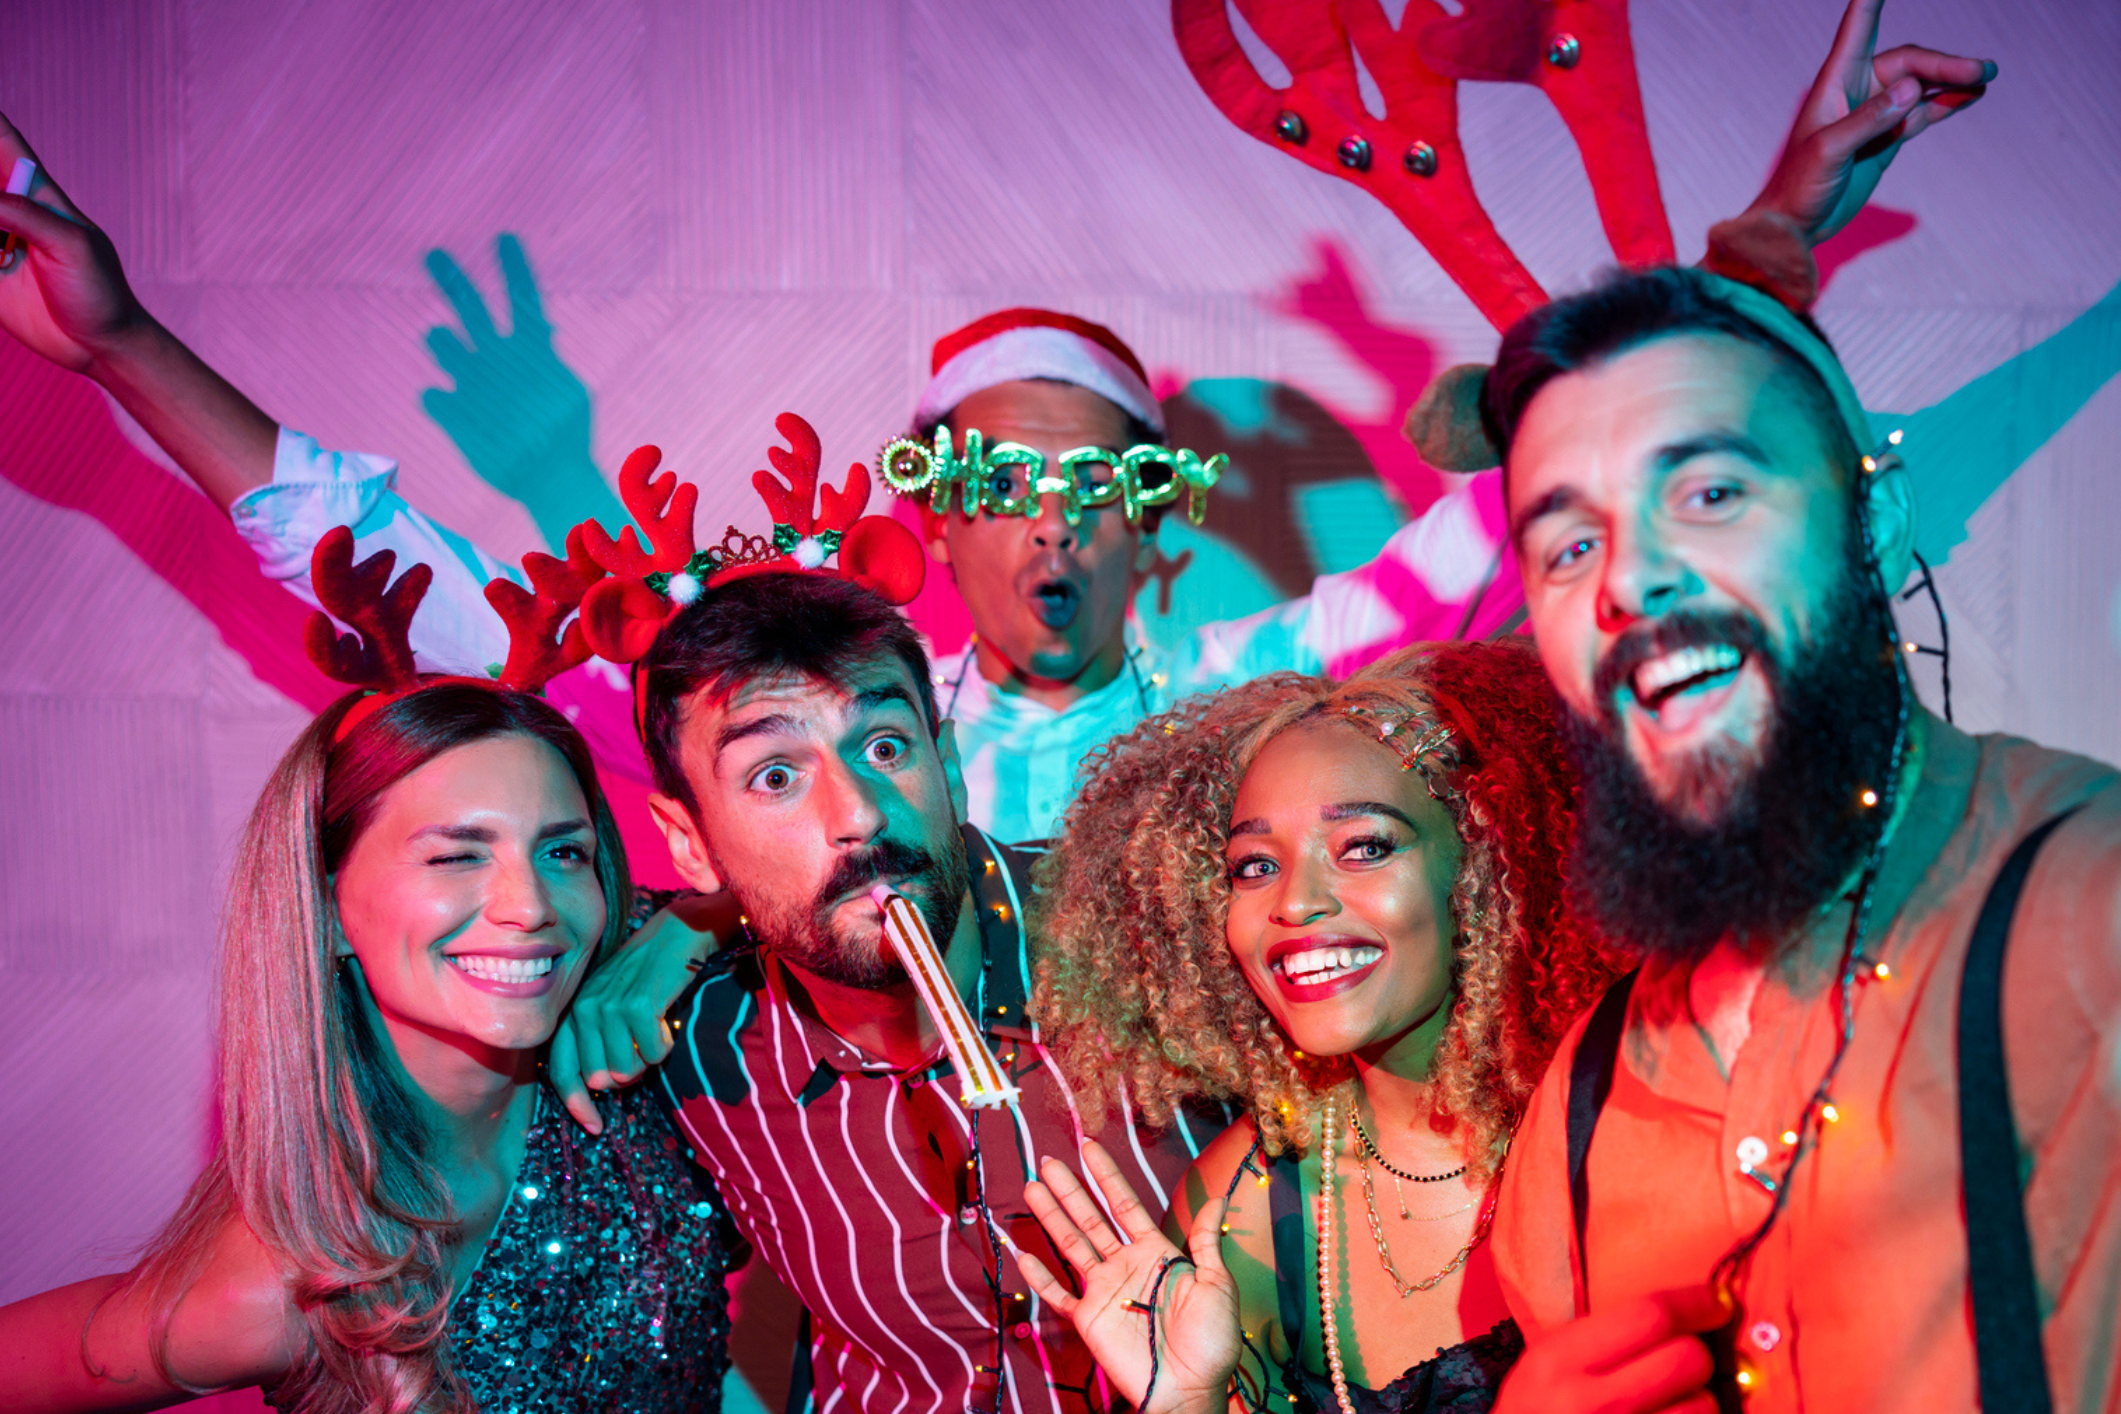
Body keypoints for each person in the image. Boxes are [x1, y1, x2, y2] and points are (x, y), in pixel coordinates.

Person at [0, 0, 1985, 843]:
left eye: (1089, 485)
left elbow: (1570, 463)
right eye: (995, 483)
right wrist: (124, 349)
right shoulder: (839, 748)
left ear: (1151, 523)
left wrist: (1775, 233)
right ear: (933, 525)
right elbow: (433, 614)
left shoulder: (1264, 687)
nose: (1046, 526)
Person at [1482, 263, 2120, 1412]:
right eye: (1569, 547)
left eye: (1711, 494)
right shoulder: (1577, 1107)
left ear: (1874, 523)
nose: (1629, 578)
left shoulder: (2093, 911)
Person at [0, 622, 731, 1408]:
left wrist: (700, 922)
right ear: (328, 906)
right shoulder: (283, 1286)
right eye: (456, 855)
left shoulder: (634, 1012)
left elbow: (821, 890)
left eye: (562, 852)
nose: (529, 908)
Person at [605, 561, 1229, 1414]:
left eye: (884, 746)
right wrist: (681, 927)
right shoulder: (693, 1057)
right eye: (774, 776)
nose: (858, 813)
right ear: (690, 843)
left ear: (947, 760)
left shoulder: (1159, 932)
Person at [997, 640, 1622, 1414]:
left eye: (1362, 847)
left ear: (1482, 867)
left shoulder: (1624, 1134)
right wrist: (1185, 1405)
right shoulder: (1240, 1208)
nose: (1294, 904)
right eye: (1254, 865)